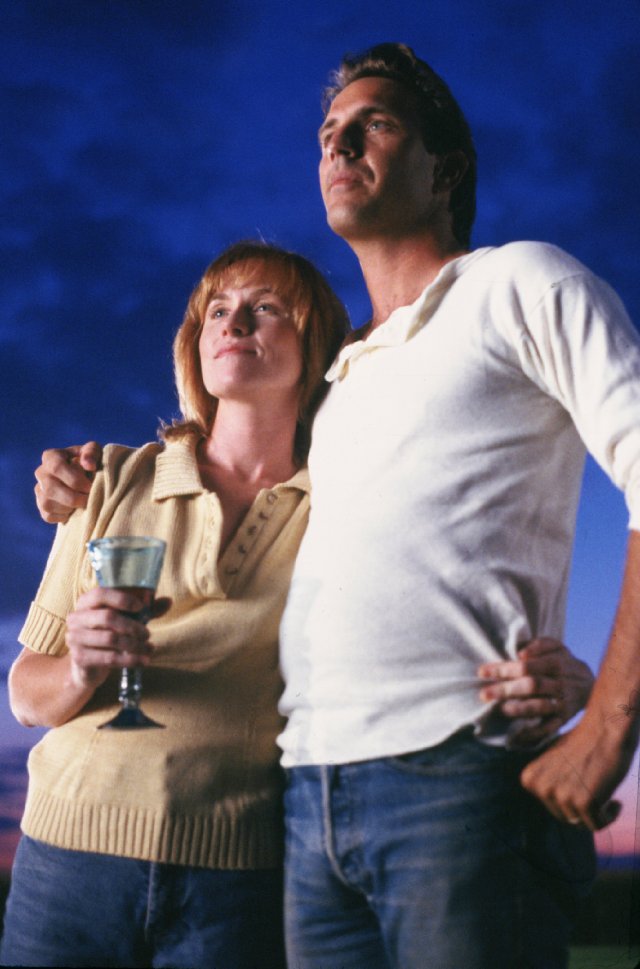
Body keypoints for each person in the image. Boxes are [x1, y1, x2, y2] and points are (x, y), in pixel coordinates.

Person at [26, 47, 602, 968]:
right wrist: (79, 634)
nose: (338, 144)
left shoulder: (501, 301)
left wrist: (596, 697)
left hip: (340, 825)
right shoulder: (145, 469)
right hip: (191, 831)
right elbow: (29, 687)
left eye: (376, 123)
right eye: (217, 310)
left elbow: (446, 559)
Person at [272, 44, 640, 969]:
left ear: (447, 170)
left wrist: (608, 719)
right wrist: (98, 480)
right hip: (308, 794)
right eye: (327, 132)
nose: (338, 144)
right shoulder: (336, 379)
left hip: (461, 782)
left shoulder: (521, 283)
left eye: (375, 124)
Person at [0, 240, 350, 969]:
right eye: (217, 311)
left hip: (237, 877)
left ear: (313, 343)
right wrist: (80, 668)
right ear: (196, 343)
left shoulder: (339, 505)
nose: (234, 323)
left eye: (265, 308)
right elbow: (27, 696)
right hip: (66, 860)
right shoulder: (111, 478)